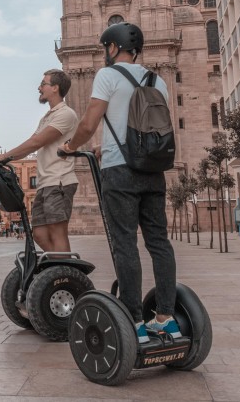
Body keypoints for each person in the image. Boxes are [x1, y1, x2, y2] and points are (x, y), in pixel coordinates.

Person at [62, 22, 180, 344]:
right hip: (153, 171)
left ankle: (134, 319)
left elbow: (89, 122)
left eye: (106, 48)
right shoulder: (159, 80)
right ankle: (166, 317)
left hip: (120, 171)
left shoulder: (107, 75)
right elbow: (144, 128)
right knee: (159, 243)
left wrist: (71, 147)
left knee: (125, 243)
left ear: (113, 48)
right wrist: (105, 146)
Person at [0, 69, 79, 256]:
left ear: (55, 88)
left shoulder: (66, 114)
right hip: (46, 183)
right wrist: (10, 158)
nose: (39, 88)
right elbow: (32, 141)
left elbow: (37, 142)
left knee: (57, 232)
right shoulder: (47, 117)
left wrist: (5, 157)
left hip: (60, 181)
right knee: (38, 233)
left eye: (43, 84)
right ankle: (62, 267)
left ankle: (65, 273)